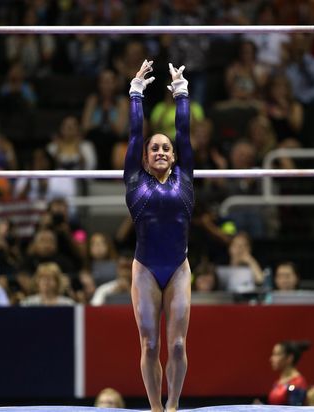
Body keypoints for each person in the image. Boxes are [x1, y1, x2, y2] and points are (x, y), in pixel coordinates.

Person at [124, 59, 194, 412]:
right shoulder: (135, 181)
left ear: (174, 155)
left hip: (178, 267)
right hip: (146, 269)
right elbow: (136, 133)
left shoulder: (185, 177)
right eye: (155, 148)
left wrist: (181, 93)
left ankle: (174, 405)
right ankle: (155, 408)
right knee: (150, 345)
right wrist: (136, 92)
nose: (162, 151)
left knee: (178, 346)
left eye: (167, 148)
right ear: (146, 156)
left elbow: (184, 132)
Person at [268, 340, 310, 406]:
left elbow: (296, 409)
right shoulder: (278, 382)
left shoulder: (298, 382)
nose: (271, 359)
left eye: (277, 354)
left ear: (289, 358)